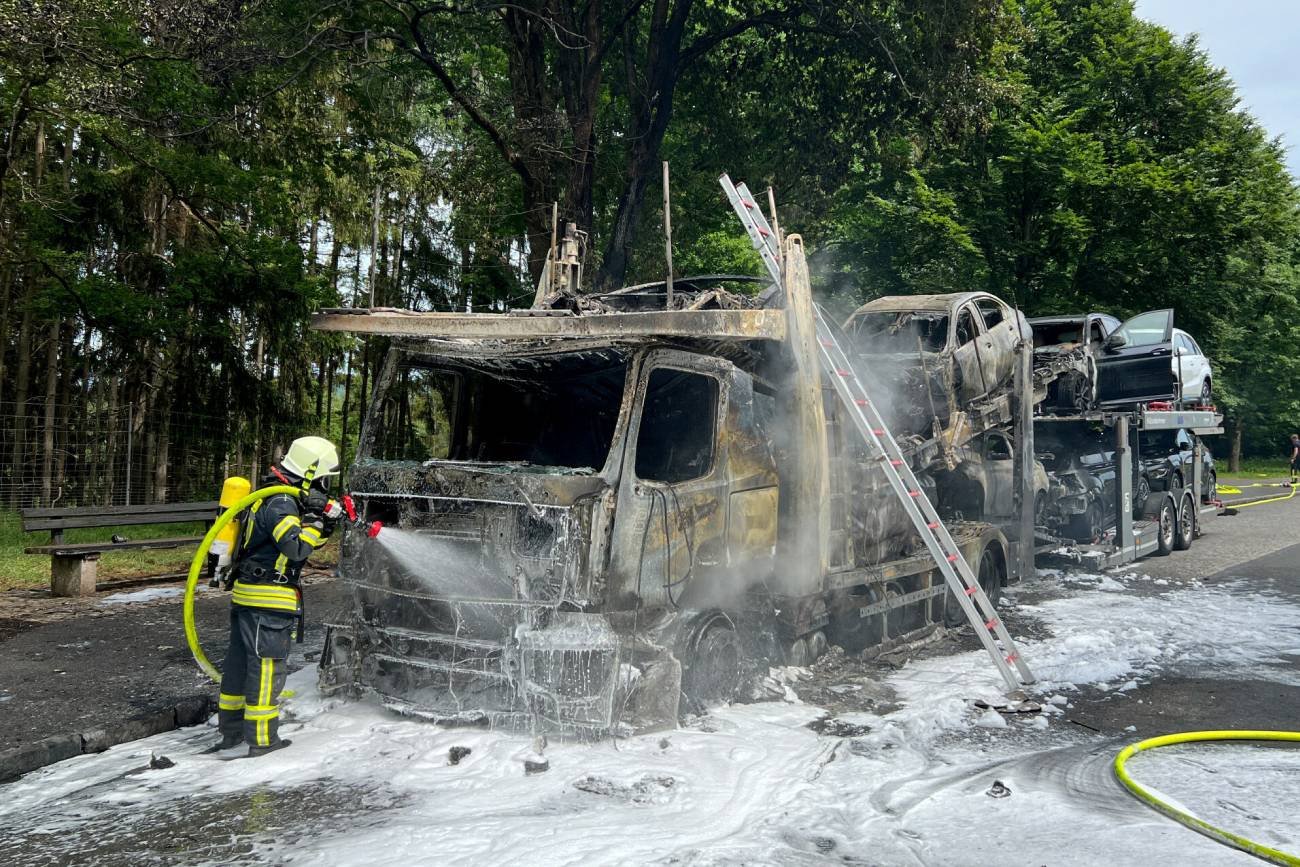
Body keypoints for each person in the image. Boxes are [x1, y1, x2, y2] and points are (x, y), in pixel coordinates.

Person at [209, 436, 341, 757]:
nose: (324, 486)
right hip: (270, 598)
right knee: (266, 668)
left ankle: (231, 734)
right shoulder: (282, 501)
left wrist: (322, 527)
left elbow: (300, 543)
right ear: (310, 473)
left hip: (248, 595)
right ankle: (263, 740)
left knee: (239, 665)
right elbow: (295, 547)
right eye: (323, 478)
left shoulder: (267, 494)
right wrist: (321, 521)